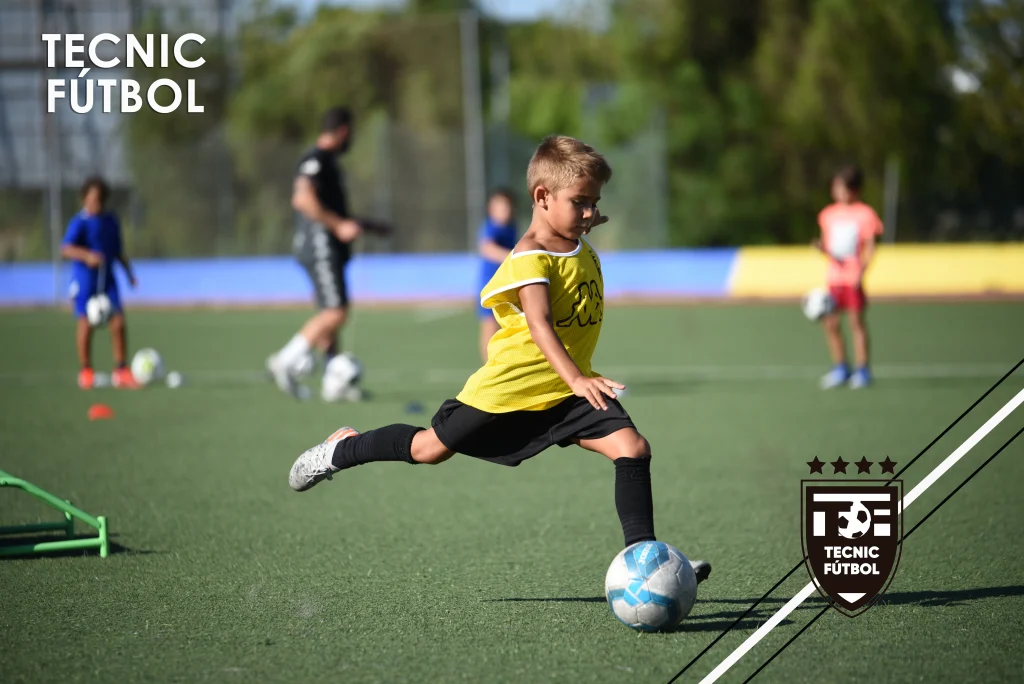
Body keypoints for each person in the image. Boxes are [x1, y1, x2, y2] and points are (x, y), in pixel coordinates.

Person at [286, 135, 711, 582]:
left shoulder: (573, 239)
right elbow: (539, 324)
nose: (589, 213)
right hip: (512, 390)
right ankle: (343, 449)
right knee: (428, 449)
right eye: (580, 203)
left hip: (566, 391)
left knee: (632, 448)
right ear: (542, 197)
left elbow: (575, 232)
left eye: (594, 204)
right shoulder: (530, 256)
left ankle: (645, 564)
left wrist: (583, 217)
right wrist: (577, 379)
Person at [266, 106, 389, 400]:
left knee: (330, 313)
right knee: (336, 312)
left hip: (326, 247)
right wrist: (338, 226)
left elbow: (337, 213)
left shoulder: (329, 163)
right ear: (343, 131)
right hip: (319, 246)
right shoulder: (316, 159)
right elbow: (302, 198)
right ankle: (285, 360)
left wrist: (369, 226)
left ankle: (334, 382)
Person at [60, 175, 140, 390]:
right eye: (92, 198)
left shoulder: (111, 221)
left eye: (100, 198)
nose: (96, 202)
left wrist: (130, 275)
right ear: (84, 198)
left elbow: (118, 251)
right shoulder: (79, 222)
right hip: (85, 279)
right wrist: (87, 256)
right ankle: (86, 370)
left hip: (108, 279)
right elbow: (66, 248)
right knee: (86, 323)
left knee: (118, 322)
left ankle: (121, 370)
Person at [814, 165, 884, 390]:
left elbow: (870, 247)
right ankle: (841, 368)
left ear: (854, 190)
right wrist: (821, 248)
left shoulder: (865, 214)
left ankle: (862, 370)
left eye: (842, 187)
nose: (837, 192)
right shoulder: (828, 214)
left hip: (852, 277)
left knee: (856, 323)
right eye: (835, 187)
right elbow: (828, 245)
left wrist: (862, 270)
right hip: (834, 278)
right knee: (831, 323)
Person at [476, 188, 518, 362]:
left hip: (507, 283)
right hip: (490, 285)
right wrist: (512, 258)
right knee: (490, 326)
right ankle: (488, 365)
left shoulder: (511, 227)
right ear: (491, 209)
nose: (505, 211)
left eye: (507, 207)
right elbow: (487, 248)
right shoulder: (491, 227)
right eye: (501, 207)